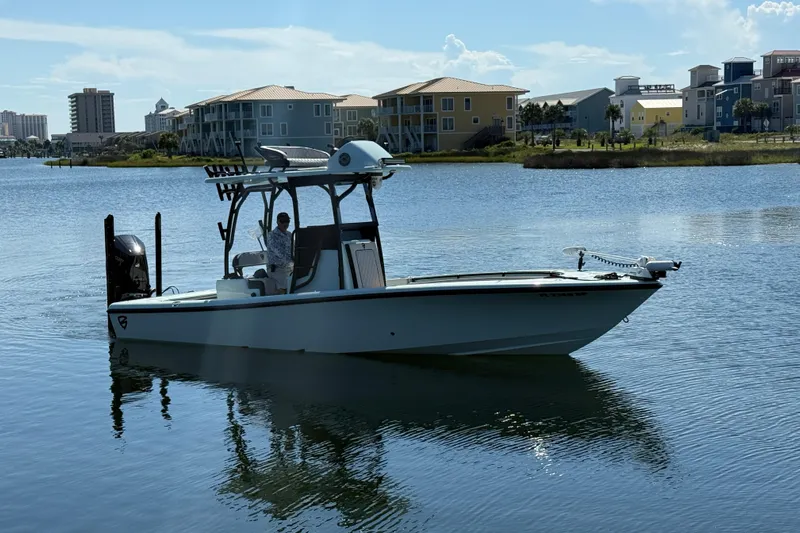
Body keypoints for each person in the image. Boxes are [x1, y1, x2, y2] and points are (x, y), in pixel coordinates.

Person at [266, 212, 294, 293]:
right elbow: (280, 253)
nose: (285, 223)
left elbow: (294, 250)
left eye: (287, 221)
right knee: (287, 285)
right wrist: (293, 261)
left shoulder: (289, 235)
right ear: (278, 222)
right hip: (276, 269)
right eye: (282, 221)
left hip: (289, 268)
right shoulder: (272, 236)